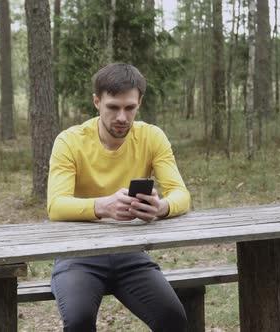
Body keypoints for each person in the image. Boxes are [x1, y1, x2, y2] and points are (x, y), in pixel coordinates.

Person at [47, 63, 191, 331]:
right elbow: (56, 206)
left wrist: (162, 207)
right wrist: (102, 206)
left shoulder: (151, 137)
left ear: (139, 103)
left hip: (130, 253)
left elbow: (181, 194)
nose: (122, 117)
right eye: (113, 107)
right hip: (77, 255)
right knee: (78, 321)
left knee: (173, 318)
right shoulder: (70, 141)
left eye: (130, 108)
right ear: (97, 102)